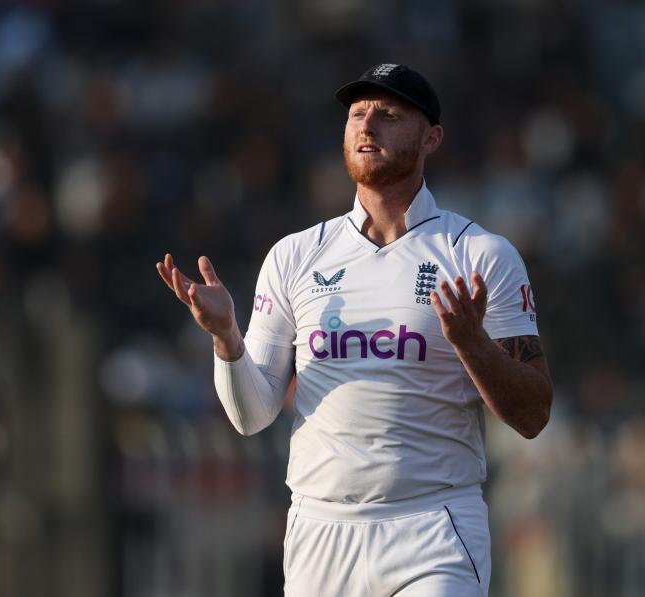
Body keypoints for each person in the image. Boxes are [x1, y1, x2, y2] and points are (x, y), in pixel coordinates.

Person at [157, 63, 552, 597]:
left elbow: (532, 415)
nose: (367, 127)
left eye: (388, 115)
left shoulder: (479, 255)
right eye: (357, 114)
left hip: (432, 527)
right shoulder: (295, 255)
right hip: (321, 533)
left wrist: (472, 343)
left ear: (432, 137)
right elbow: (252, 416)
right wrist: (226, 335)